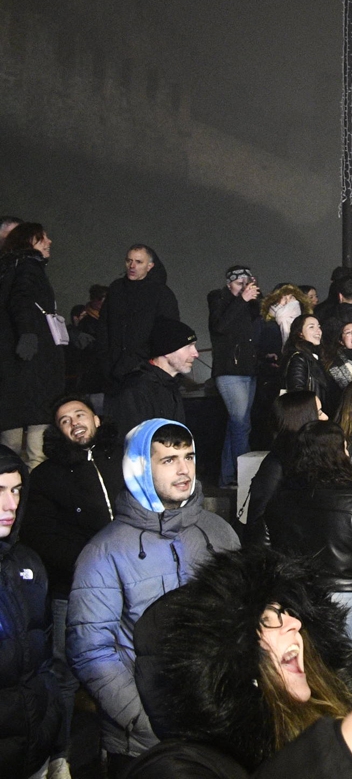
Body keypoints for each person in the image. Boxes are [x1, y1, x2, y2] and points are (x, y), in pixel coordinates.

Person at [124, 546, 352, 779]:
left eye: (289, 612)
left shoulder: (309, 715)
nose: (295, 623)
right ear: (228, 658)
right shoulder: (174, 766)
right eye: (271, 618)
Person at [68, 419, 239, 774]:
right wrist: (147, 721)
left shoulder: (219, 532)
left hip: (218, 730)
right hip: (143, 745)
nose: (183, 470)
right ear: (140, 467)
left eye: (188, 457)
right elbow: (91, 650)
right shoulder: (104, 551)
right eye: (168, 460)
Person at [262, 421, 352, 779]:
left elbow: (265, 550)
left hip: (302, 608)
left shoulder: (282, 497)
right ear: (336, 452)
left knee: (323, 695)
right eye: (343, 447)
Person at [28, 396, 125, 765]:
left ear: (97, 419)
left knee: (121, 663)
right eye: (64, 420)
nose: (73, 423)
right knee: (64, 671)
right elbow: (42, 536)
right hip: (73, 589)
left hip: (128, 583)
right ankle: (60, 756)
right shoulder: (46, 477)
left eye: (79, 415)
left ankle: (117, 750)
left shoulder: (126, 460)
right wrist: (93, 565)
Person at [0, 448, 68, 779]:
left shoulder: (28, 563)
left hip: (36, 756)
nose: (11, 505)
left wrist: (57, 749)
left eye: (15, 490)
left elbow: (45, 668)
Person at [1, 223, 64, 468]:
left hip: (14, 380)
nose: (49, 242)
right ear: (30, 241)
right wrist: (29, 333)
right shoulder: (29, 267)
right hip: (35, 371)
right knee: (37, 451)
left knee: (10, 447)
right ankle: (34, 501)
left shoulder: (9, 268)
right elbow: (22, 299)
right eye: (43, 238)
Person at [245, 392, 325, 542]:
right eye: (319, 413)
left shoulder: (308, 457)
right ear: (304, 419)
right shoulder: (275, 465)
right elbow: (258, 523)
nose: (326, 418)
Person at [98, 245, 179, 391]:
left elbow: (169, 332)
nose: (132, 266)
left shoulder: (161, 293)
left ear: (150, 266)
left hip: (147, 369)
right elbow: (104, 326)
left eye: (138, 262)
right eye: (129, 261)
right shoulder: (116, 289)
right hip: (114, 371)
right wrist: (106, 359)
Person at [208, 267, 261, 489]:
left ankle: (228, 477)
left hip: (248, 370)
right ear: (229, 283)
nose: (243, 288)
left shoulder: (248, 305)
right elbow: (220, 326)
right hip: (230, 371)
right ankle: (245, 476)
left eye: (247, 283)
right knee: (241, 424)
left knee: (236, 425)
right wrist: (242, 300)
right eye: (239, 283)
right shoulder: (218, 298)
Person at [104, 318, 198, 442]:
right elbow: (132, 445)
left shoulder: (171, 384)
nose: (196, 353)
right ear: (167, 351)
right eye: (188, 346)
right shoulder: (135, 389)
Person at [281, 315, 334, 405]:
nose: (318, 331)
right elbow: (297, 394)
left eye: (319, 327)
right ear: (300, 333)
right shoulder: (299, 358)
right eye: (311, 327)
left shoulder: (317, 356)